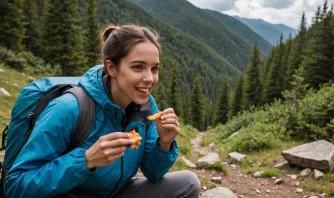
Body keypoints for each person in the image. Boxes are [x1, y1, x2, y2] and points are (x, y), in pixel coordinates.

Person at [5, 24, 201, 198]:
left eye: (154, 69)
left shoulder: (146, 107)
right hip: (69, 194)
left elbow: (153, 173)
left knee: (188, 183)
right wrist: (86, 160)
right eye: (138, 67)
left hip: (116, 191)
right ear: (112, 68)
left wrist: (164, 144)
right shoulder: (69, 108)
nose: (149, 78)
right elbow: (16, 185)